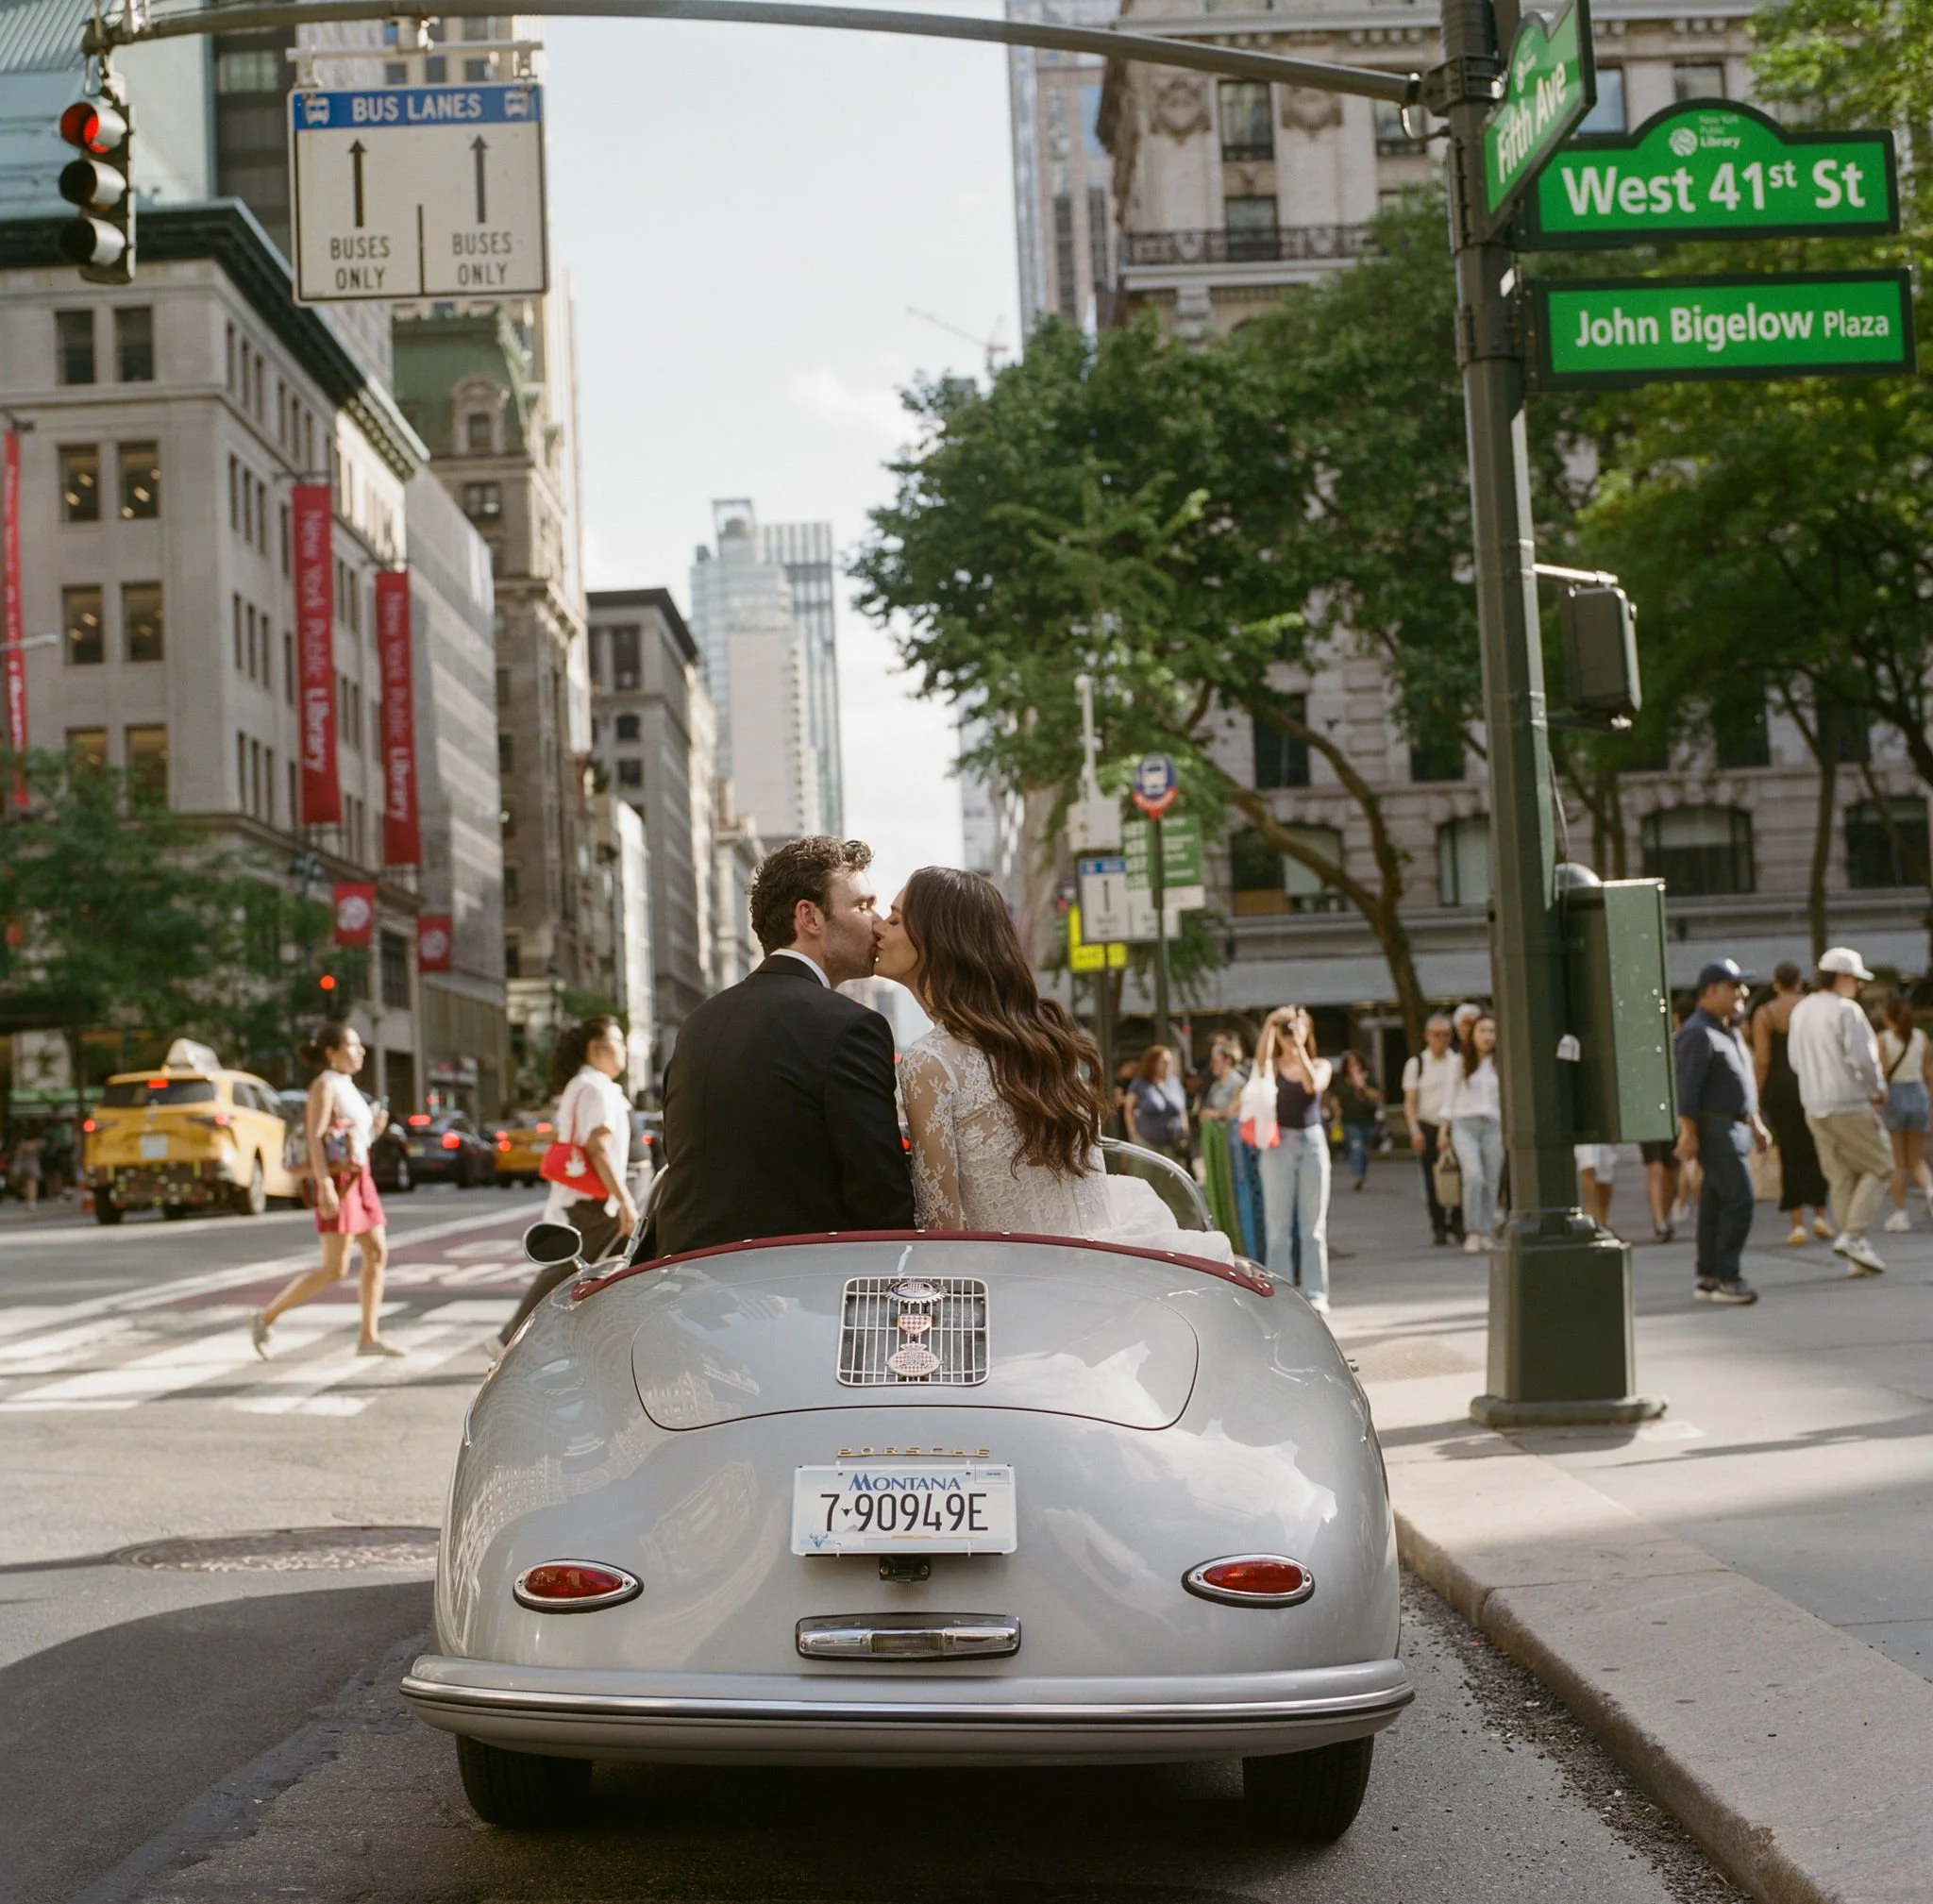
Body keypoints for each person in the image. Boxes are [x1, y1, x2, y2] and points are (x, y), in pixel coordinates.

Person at [878, 868, 1233, 1259]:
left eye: (894, 919)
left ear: (934, 940)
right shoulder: (1045, 1037)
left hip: (1024, 1285)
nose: (878, 927)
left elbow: (943, 1231)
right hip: (1108, 1264)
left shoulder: (928, 1062)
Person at [651, 835, 914, 1259]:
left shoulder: (699, 1022)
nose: (877, 921)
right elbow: (882, 1198)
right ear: (809, 917)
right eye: (863, 906)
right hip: (794, 1292)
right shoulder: (851, 1027)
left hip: (685, 1284)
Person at [250, 1023, 397, 1357]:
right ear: (331, 1051)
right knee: (335, 1268)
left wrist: (374, 1130)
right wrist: (325, 1185)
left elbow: (351, 1142)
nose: (360, 1051)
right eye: (353, 1045)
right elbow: (315, 1138)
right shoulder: (324, 1086)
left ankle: (368, 1337)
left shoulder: (348, 1086)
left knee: (376, 1253)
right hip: (339, 1182)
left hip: (361, 1177)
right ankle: (265, 1318)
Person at [497, 1015, 639, 1345]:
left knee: (588, 1269)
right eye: (618, 1041)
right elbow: (598, 1147)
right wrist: (625, 1200)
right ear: (596, 1047)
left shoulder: (586, 1085)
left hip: (588, 1199)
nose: (623, 1050)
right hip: (592, 1202)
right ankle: (511, 1339)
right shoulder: (594, 1088)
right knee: (570, 1268)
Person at [1788, 946, 1891, 1277]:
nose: (1859, 986)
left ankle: (1854, 1256)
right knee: (1881, 1166)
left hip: (1814, 1105)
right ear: (1843, 976)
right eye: (1857, 979)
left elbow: (1794, 1061)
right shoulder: (1846, 1010)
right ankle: (1854, 1236)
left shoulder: (1801, 1010)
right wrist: (1876, 1087)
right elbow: (1863, 1058)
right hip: (1847, 1102)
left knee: (1841, 1177)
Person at [1673, 959, 1772, 1305]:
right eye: (1734, 986)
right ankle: (1728, 1276)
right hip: (1714, 1126)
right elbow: (1688, 1087)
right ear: (1712, 990)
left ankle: (1709, 1276)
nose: (1742, 992)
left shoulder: (1725, 1029)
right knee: (1739, 1198)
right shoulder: (1696, 1032)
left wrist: (1756, 1123)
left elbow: (1742, 1081)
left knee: (1715, 1204)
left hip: (1732, 1125)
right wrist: (1688, 1131)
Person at [1252, 1006, 1334, 1310]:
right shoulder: (1272, 1066)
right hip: (1278, 1143)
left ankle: (1316, 1293)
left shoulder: (1320, 1064)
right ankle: (1281, 1292)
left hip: (1312, 1141)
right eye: (1290, 1028)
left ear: (1308, 1031)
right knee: (1277, 1226)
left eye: (1298, 1027)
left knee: (1313, 1226)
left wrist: (1298, 1047)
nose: (1292, 1032)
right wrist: (1270, 1024)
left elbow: (1313, 1085)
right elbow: (1259, 1065)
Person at [1751, 962, 1834, 1247]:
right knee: (1817, 1148)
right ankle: (1822, 1214)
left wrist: (1756, 1095)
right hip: (1812, 1082)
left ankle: (1797, 1222)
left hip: (1780, 1087)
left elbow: (1762, 1059)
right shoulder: (1811, 1009)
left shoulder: (1766, 1014)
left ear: (1776, 983)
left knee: (1789, 1151)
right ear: (1799, 981)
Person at [1441, 1014, 1504, 1253]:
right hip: (1465, 1124)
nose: (1487, 1036)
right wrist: (1443, 1130)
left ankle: (1486, 1231)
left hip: (1494, 1124)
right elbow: (1449, 1097)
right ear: (1473, 1034)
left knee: (1491, 1179)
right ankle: (1472, 1230)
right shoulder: (1459, 1062)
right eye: (1482, 1030)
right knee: (1473, 1176)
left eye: (1492, 1031)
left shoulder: (1502, 1062)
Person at [1403, 1015, 1462, 1245]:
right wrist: (1414, 1129)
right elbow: (1410, 1100)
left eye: (1446, 1035)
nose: (1441, 1039)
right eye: (1436, 1034)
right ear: (1427, 1036)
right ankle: (1438, 1225)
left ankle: (1457, 1222)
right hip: (1427, 1124)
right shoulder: (1417, 1063)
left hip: (1455, 1124)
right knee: (1431, 1178)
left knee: (1459, 1174)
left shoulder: (1457, 1061)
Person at [1877, 991, 1933, 1233]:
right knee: (1917, 1158)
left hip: (1895, 1095)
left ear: (1888, 1015)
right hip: (1919, 1093)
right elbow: (1929, 1073)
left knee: (1897, 1161)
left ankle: (1901, 1213)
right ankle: (1930, 1190)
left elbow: (1880, 1073)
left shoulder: (1884, 1039)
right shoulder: (1921, 1037)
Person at [1125, 1045, 1189, 1163]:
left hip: (1173, 1144)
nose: (1168, 1065)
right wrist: (1133, 1133)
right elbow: (1128, 1108)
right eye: (1164, 1062)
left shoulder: (1174, 1083)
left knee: (1173, 1179)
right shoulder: (1141, 1083)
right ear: (1153, 1063)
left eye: (1170, 1062)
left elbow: (1182, 1110)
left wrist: (1185, 1132)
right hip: (1147, 1143)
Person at [1330, 1050, 1383, 1191]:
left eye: (1356, 1063)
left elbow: (1377, 1096)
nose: (1353, 1066)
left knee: (1364, 1148)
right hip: (1349, 1119)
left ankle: (1363, 1173)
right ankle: (1358, 1174)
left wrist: (1362, 1087)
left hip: (1367, 1119)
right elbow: (1335, 1097)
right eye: (1350, 1063)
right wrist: (1336, 1110)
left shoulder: (1368, 1078)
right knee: (1356, 1145)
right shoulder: (1341, 1080)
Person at [1576, 1142, 1618, 1233]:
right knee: (1588, 1167)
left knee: (1605, 1177)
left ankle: (1603, 1222)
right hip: (1584, 1132)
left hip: (1603, 1134)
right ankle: (1591, 1221)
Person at [12, 1135, 40, 1211]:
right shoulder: (36, 1144)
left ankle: (30, 1200)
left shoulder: (22, 1145)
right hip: (33, 1165)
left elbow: (17, 1156)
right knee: (32, 1183)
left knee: (27, 1184)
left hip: (25, 1165)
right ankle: (32, 1201)